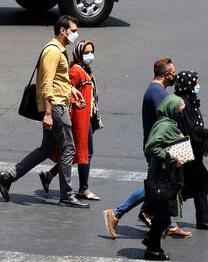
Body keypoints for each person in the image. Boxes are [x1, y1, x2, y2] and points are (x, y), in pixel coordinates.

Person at [0, 15, 89, 208]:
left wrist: (73, 91)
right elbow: (47, 84)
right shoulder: (52, 52)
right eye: (73, 30)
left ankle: (8, 177)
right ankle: (67, 194)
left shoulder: (59, 50)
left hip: (58, 103)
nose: (76, 34)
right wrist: (48, 113)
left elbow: (60, 80)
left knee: (46, 149)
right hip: (55, 107)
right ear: (63, 31)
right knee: (68, 148)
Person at [103, 58, 191, 239]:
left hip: (158, 144)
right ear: (167, 75)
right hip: (159, 147)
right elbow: (166, 121)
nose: (175, 75)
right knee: (156, 186)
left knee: (166, 184)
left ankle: (171, 224)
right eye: (173, 72)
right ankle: (116, 213)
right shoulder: (158, 94)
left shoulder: (156, 90)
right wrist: (179, 136)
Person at [38, 40, 101, 200]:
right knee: (83, 151)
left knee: (79, 152)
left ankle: (50, 175)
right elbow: (66, 92)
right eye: (86, 52)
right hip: (78, 118)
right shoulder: (75, 70)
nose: (89, 55)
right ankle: (83, 188)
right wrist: (74, 105)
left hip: (87, 116)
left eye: (91, 51)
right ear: (79, 53)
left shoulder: (86, 69)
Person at [142, 95, 187, 261]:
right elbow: (151, 147)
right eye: (180, 111)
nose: (181, 114)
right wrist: (173, 159)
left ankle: (151, 241)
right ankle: (153, 249)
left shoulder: (170, 125)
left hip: (168, 175)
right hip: (162, 176)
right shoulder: (165, 126)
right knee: (163, 214)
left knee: (164, 214)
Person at [174, 71, 208, 229]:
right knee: (181, 185)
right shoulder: (184, 104)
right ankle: (148, 211)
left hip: (194, 152)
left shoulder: (190, 101)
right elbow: (192, 130)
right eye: (195, 83)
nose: (197, 86)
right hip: (188, 151)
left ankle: (203, 220)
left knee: (198, 184)